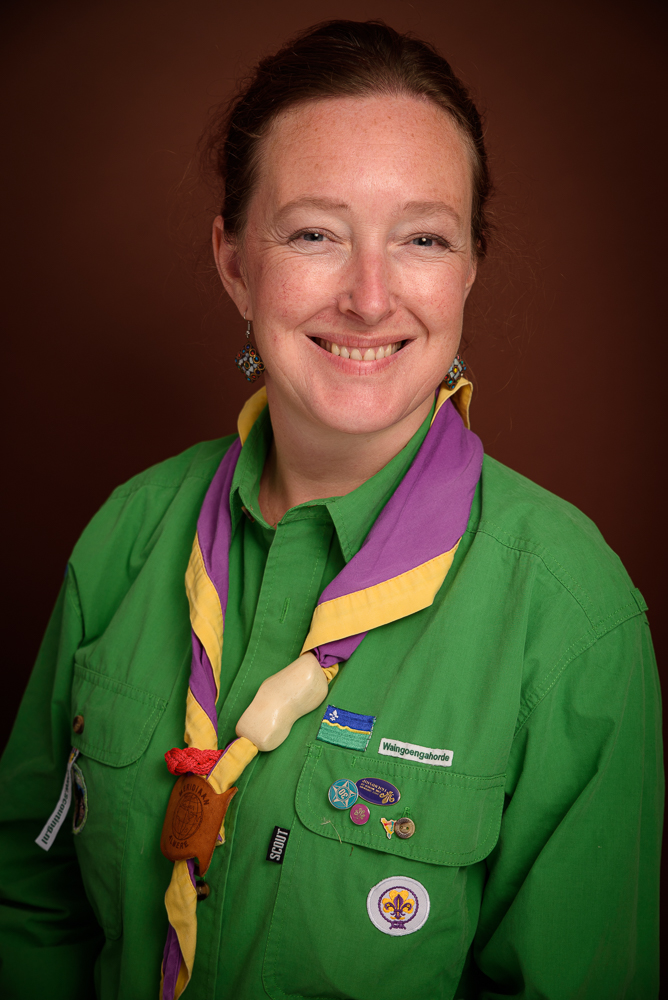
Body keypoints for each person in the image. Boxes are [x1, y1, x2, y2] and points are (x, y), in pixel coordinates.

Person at [0, 19, 661, 1000]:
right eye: (314, 233)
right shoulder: (126, 536)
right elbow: (30, 902)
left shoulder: (570, 614)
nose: (368, 297)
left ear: (468, 267)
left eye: (422, 238)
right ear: (235, 264)